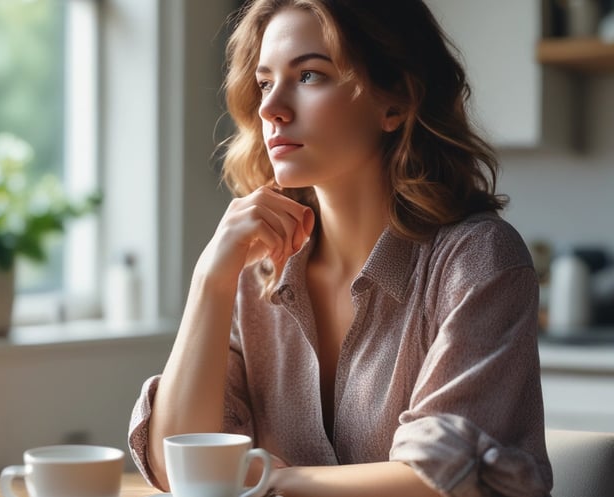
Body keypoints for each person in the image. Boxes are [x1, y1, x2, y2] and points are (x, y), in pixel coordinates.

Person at [128, 0, 553, 495]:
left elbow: (436, 477)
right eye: (265, 82)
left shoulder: (479, 261)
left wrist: (272, 480)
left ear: (394, 101)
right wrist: (209, 281)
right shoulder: (256, 272)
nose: (270, 108)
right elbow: (175, 464)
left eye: (309, 76)